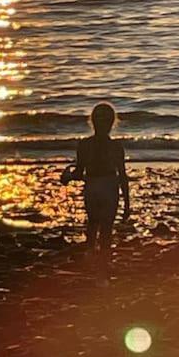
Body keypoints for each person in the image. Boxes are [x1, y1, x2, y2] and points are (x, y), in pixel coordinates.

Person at [65, 102, 130, 280]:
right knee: (107, 227)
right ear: (112, 123)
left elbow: (79, 173)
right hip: (110, 185)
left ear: (92, 122)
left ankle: (91, 256)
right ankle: (104, 262)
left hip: (92, 185)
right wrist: (127, 203)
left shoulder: (85, 145)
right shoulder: (116, 147)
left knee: (93, 223)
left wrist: (67, 176)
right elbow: (123, 176)